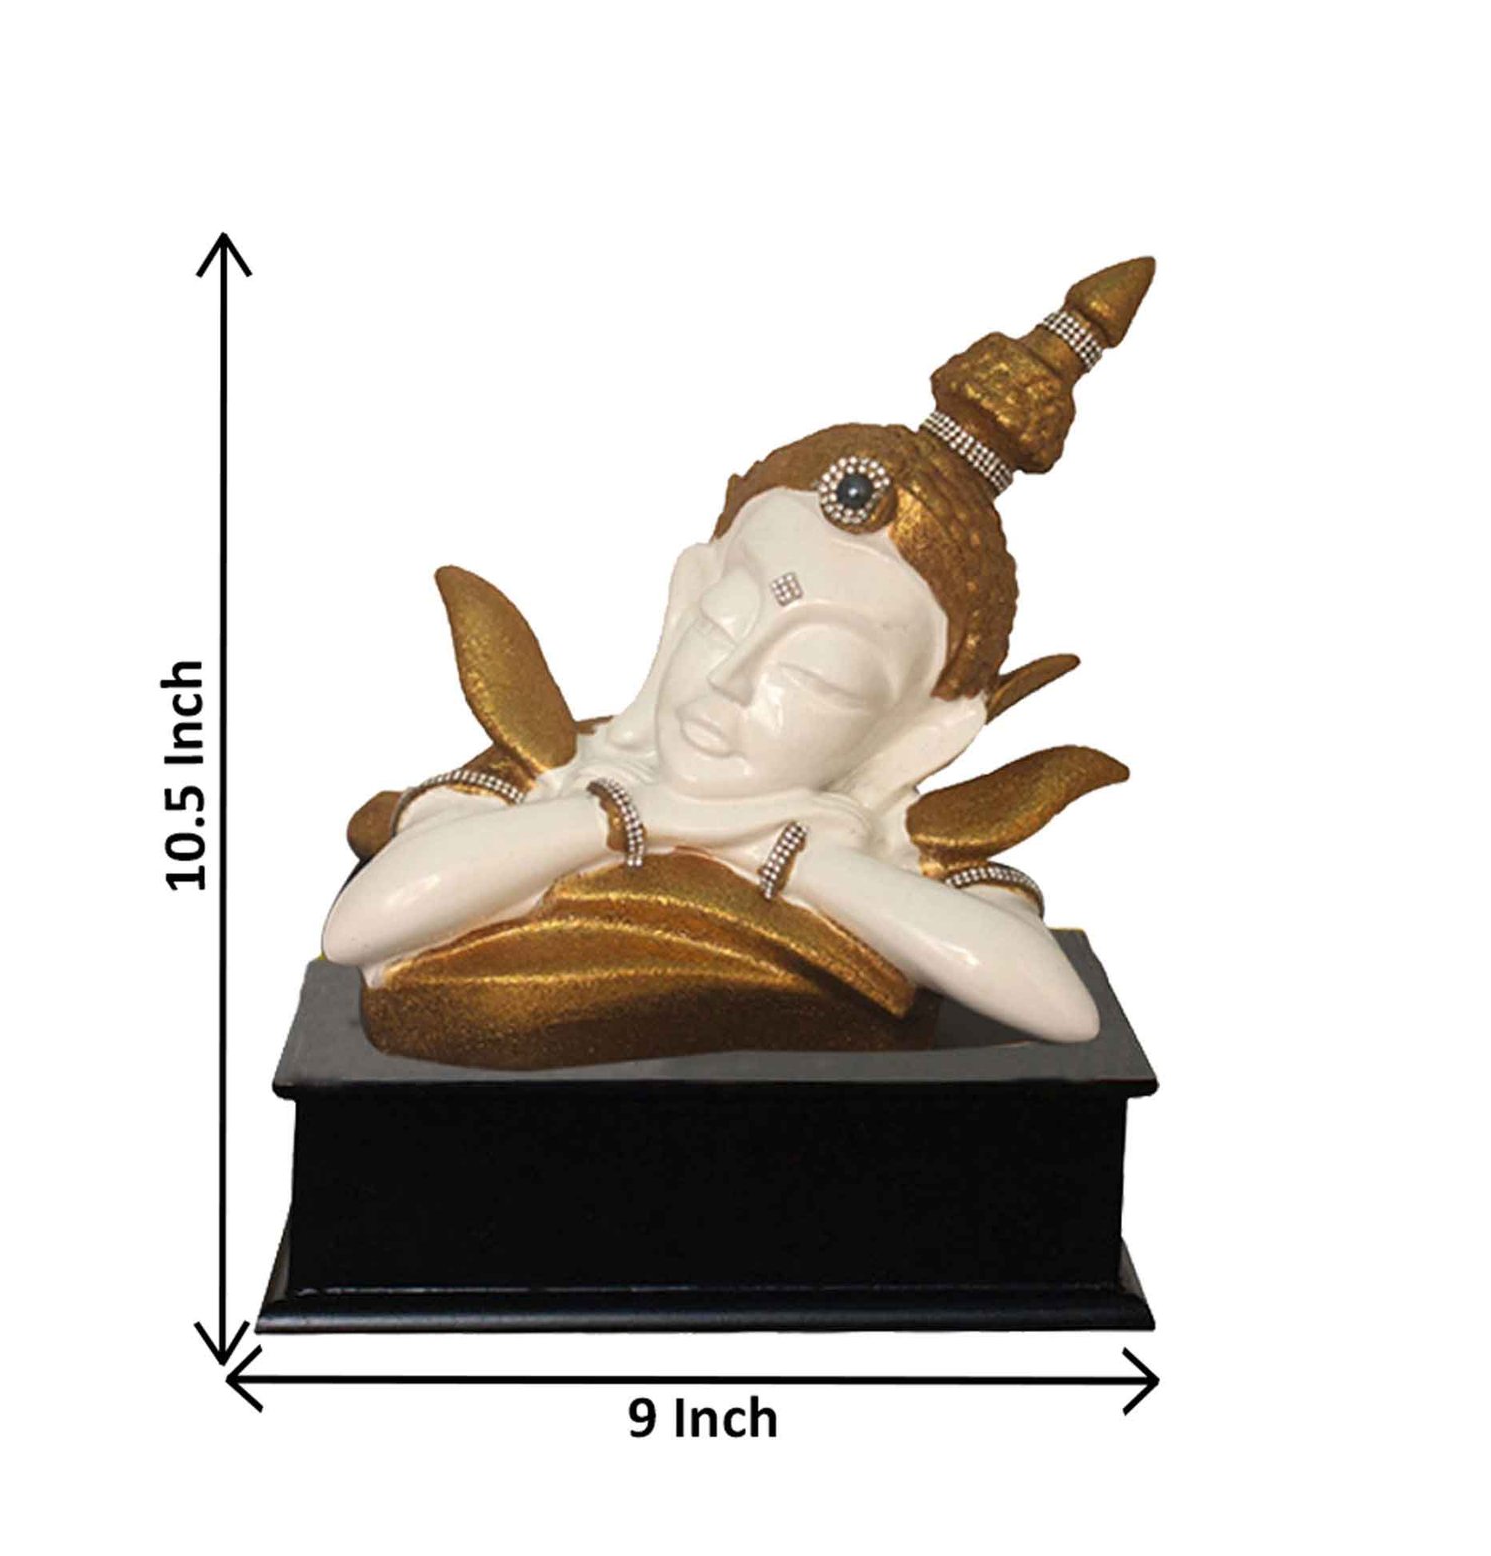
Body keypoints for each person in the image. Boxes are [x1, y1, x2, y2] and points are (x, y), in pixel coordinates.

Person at [326, 259, 1153, 1066]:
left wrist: (798, 859)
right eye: (723, 623)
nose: (731, 681)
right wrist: (640, 815)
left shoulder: (892, 854)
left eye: (815, 675)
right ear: (686, 599)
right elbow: (360, 930)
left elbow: (1060, 1009)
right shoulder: (555, 770)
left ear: (920, 738)